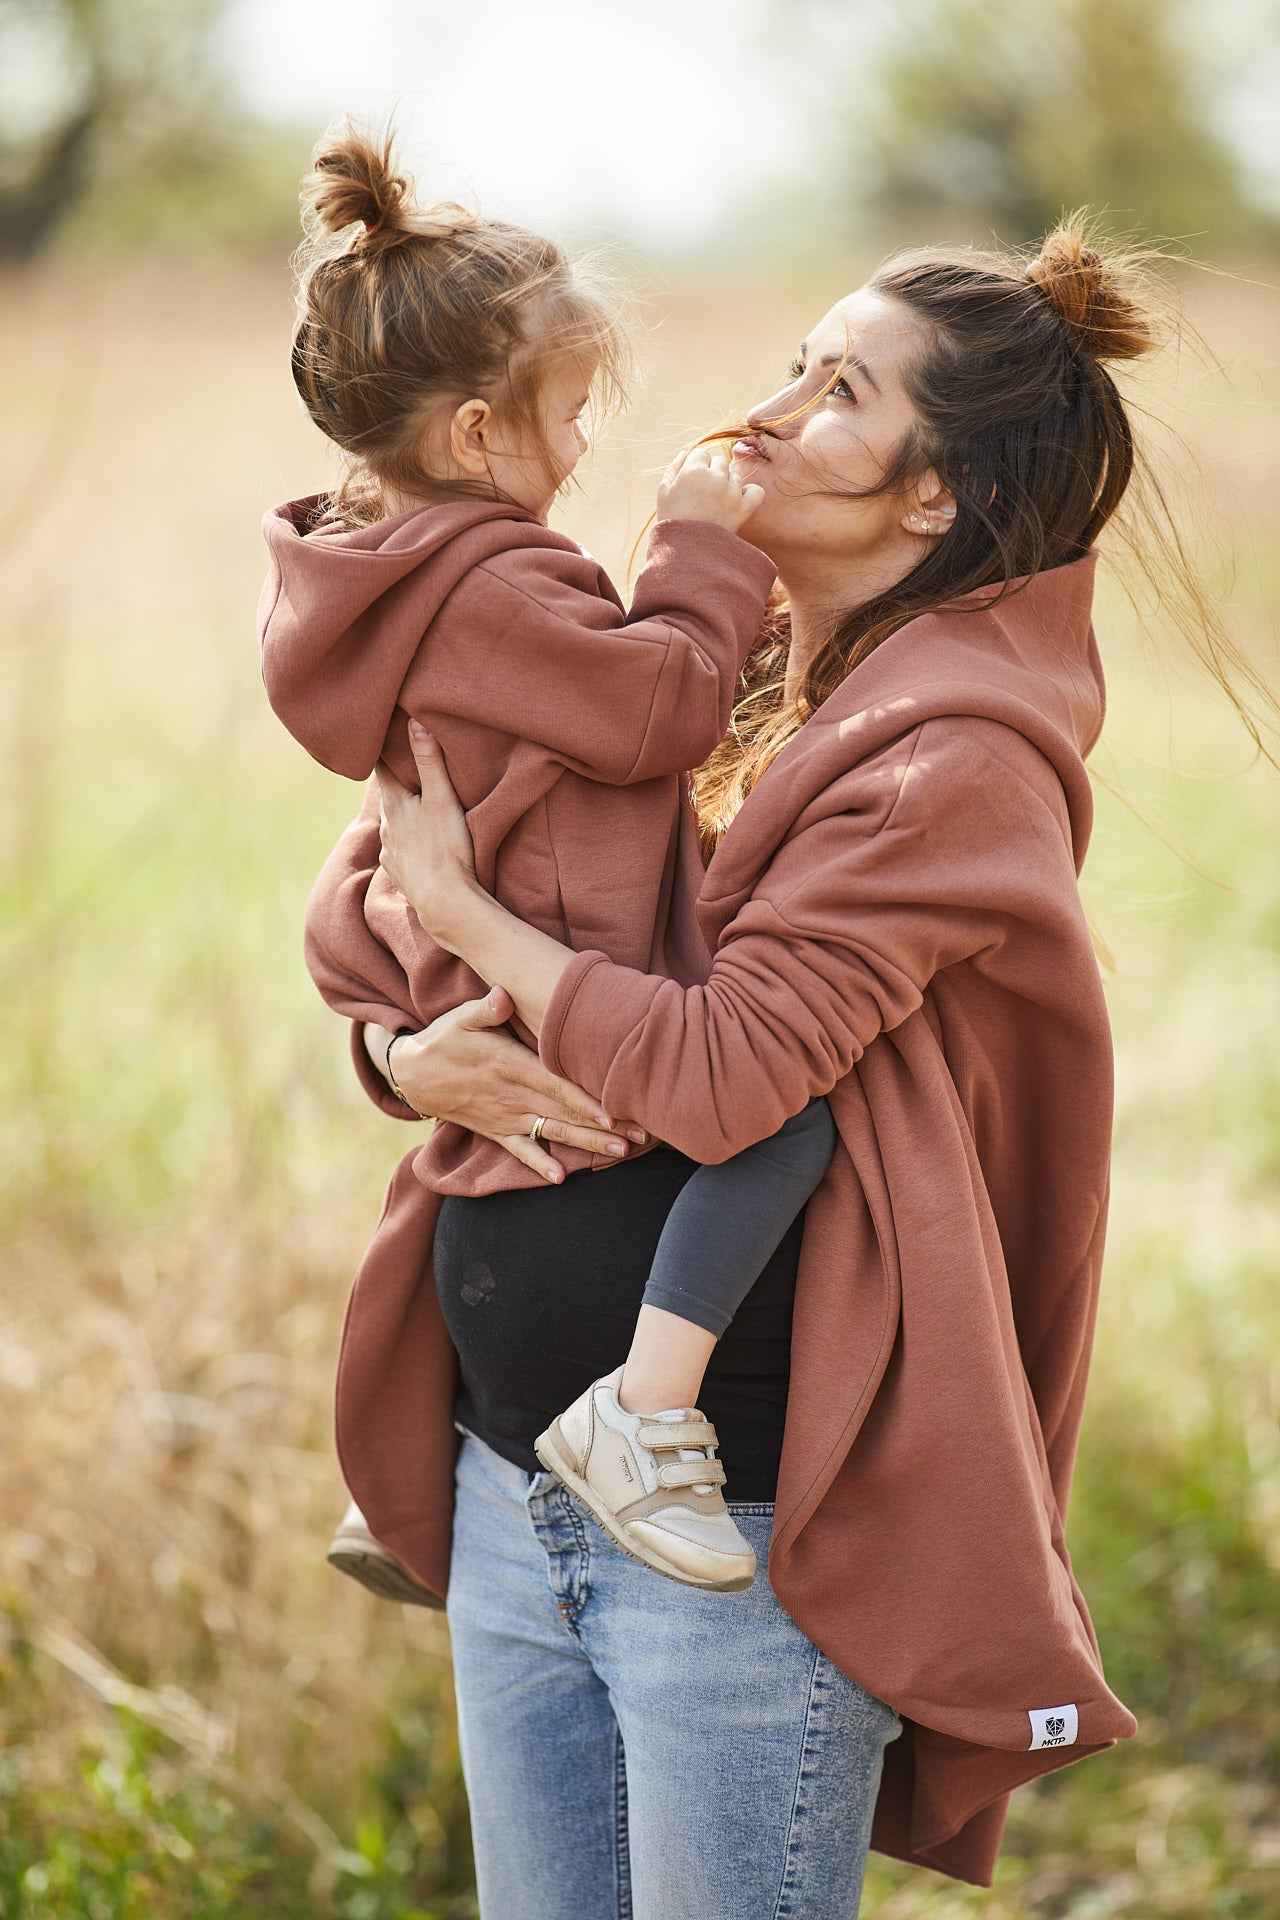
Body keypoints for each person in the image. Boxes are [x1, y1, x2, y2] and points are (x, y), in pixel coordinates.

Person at [304, 219, 1258, 1911]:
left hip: (727, 1542)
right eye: (795, 362)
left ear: (931, 500)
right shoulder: (714, 668)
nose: (767, 411)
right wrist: (402, 1050)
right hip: (514, 1482)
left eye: (839, 395)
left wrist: (468, 913)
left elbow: (732, 1073)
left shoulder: (954, 758)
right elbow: (402, 867)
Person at [260, 126, 840, 1595]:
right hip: (567, 954)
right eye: (572, 413)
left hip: (461, 954)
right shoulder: (501, 577)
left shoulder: (371, 583)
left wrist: (391, 1037)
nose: (586, 447)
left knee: (482, 1152)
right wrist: (697, 553)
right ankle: (629, 1423)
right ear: (471, 436)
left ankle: (410, 1445)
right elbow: (656, 708)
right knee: (785, 1119)